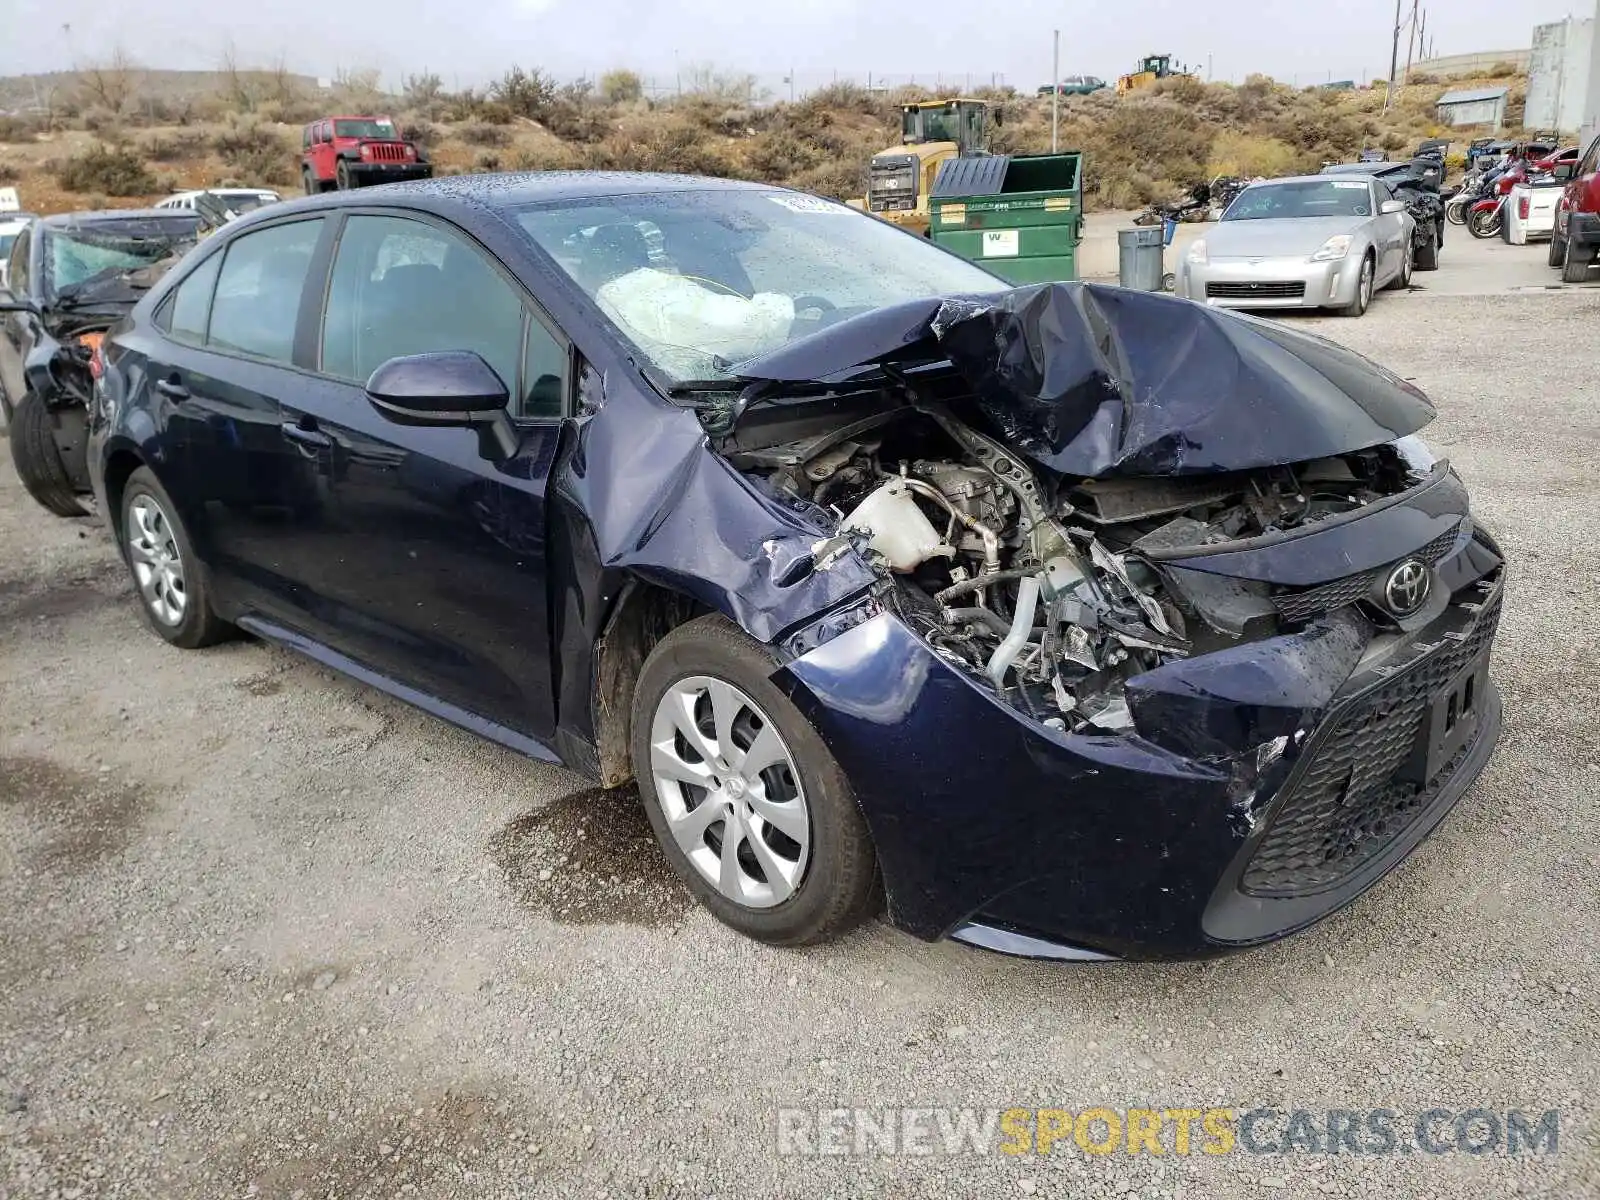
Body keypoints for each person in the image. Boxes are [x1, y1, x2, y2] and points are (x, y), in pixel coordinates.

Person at [575, 224, 794, 372]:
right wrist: (786, 311)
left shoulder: (607, 299)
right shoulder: (645, 297)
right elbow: (756, 327)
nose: (671, 254)